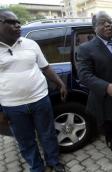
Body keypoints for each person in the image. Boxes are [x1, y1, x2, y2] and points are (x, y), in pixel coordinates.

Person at [0, 9, 67, 172]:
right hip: (13, 106)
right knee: (25, 140)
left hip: (40, 99)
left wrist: (60, 83)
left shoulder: (30, 44)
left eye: (18, 22)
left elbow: (45, 67)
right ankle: (36, 167)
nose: (18, 25)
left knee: (48, 134)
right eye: (12, 22)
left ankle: (53, 162)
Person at [76, 11, 112, 165]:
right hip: (106, 96)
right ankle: (111, 142)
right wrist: (107, 87)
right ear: (94, 27)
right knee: (108, 124)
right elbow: (84, 76)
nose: (108, 24)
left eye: (109, 21)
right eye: (102, 22)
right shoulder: (86, 48)